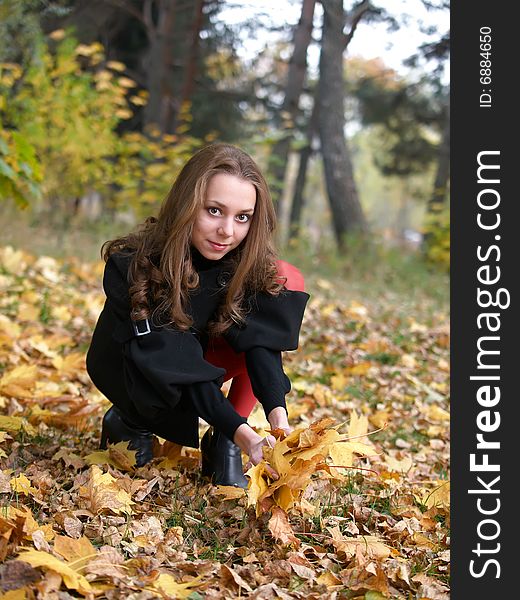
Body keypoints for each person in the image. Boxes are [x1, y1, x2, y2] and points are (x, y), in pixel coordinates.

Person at [86, 143, 309, 488]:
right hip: (135, 370)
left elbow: (262, 341)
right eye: (214, 211)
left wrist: (276, 414)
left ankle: (225, 442)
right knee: (150, 386)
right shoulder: (134, 265)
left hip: (199, 359)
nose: (227, 232)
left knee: (282, 280)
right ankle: (129, 420)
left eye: (242, 217)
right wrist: (240, 430)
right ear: (187, 204)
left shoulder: (239, 262)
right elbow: (175, 362)